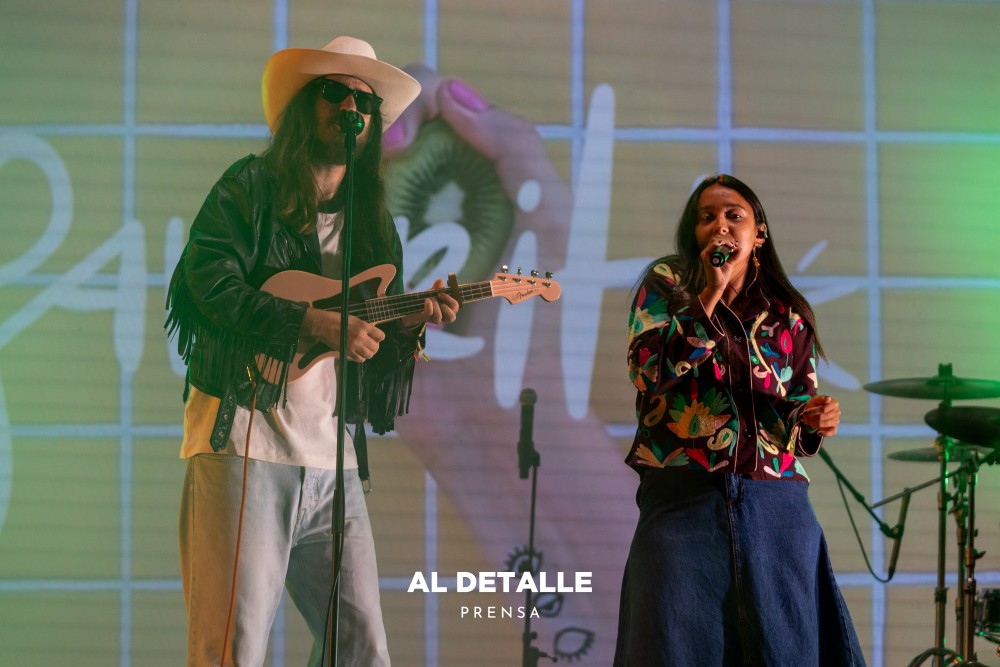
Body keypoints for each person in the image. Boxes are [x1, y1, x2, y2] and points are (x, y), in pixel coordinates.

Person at [164, 36, 460, 666]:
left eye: (365, 100)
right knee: (231, 651)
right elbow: (207, 282)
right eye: (335, 91)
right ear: (305, 106)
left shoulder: (373, 223)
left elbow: (368, 349)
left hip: (334, 464)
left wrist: (414, 321)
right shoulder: (250, 187)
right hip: (245, 444)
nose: (351, 107)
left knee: (362, 653)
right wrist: (315, 323)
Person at [613, 174, 866, 666]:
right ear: (694, 234)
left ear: (759, 232)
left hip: (775, 503)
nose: (720, 226)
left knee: (785, 649)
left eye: (734, 216)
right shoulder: (667, 283)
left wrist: (813, 417)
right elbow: (647, 371)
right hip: (684, 494)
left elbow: (796, 402)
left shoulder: (786, 311)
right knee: (673, 646)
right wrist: (709, 292)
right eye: (706, 217)